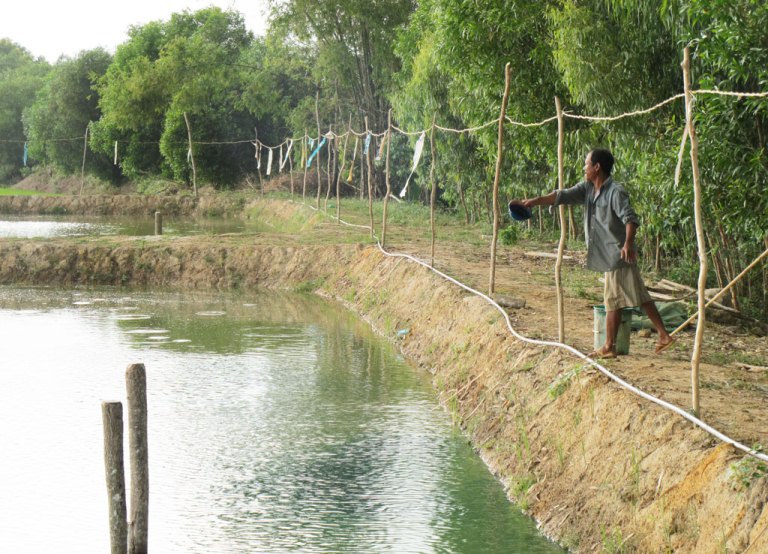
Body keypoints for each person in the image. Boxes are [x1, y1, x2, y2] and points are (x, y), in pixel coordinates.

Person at [510, 148, 675, 358]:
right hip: (608, 254)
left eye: (586, 164)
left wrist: (627, 244)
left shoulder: (616, 191)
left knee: (612, 301)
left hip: (617, 254)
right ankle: (663, 335)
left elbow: (630, 219)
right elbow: (561, 195)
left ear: (597, 167)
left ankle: (609, 346)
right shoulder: (588, 189)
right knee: (639, 295)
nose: (584, 168)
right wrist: (533, 201)